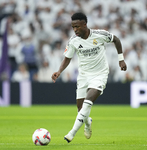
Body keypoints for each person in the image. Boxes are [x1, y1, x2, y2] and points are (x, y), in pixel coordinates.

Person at [51, 12, 127, 143]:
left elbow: (116, 40)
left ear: (85, 24)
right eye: (73, 27)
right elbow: (67, 58)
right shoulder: (73, 41)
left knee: (88, 101)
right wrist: (59, 71)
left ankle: (71, 133)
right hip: (84, 76)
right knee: (81, 110)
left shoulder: (100, 35)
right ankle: (87, 123)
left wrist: (121, 59)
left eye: (77, 26)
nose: (75, 30)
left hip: (100, 74)